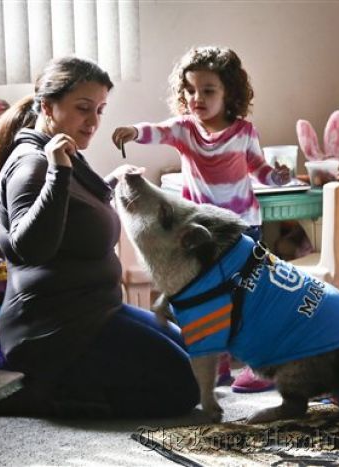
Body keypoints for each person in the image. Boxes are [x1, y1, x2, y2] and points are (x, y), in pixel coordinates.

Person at [0, 56, 199, 418]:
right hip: (56, 329)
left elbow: (75, 212)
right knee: (183, 390)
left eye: (99, 109)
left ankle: (64, 382)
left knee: (197, 358)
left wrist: (112, 180)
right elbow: (29, 248)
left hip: (97, 309)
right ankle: (55, 391)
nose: (94, 122)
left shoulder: (64, 152)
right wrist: (57, 174)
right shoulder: (33, 165)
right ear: (47, 106)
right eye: (83, 108)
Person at [111, 45, 289, 393]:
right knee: (207, 298)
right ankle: (218, 364)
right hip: (200, 231)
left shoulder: (243, 132)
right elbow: (157, 131)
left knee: (246, 298)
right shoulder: (185, 130)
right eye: (190, 90)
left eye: (208, 90)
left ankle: (258, 364)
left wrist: (278, 177)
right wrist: (133, 131)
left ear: (229, 93)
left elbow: (260, 169)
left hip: (242, 228)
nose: (197, 98)